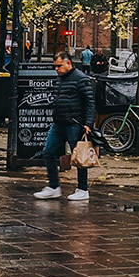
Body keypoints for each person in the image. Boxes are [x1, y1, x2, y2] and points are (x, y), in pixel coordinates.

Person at [35, 50, 95, 200]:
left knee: (80, 157)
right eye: (55, 66)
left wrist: (88, 123)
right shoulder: (61, 78)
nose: (56, 69)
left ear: (68, 63)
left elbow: (89, 103)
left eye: (59, 66)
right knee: (48, 151)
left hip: (74, 124)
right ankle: (54, 186)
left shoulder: (81, 79)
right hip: (59, 123)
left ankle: (83, 189)